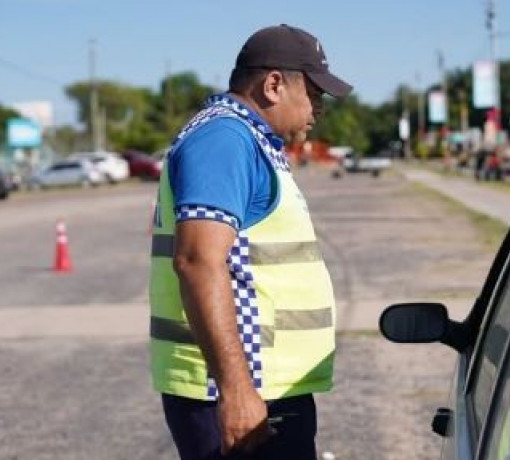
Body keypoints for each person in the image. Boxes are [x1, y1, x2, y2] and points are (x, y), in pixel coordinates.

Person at [149, 24, 352, 460]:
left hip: (267, 388)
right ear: (274, 84)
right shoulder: (225, 140)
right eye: (314, 92)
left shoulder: (249, 140)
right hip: (241, 390)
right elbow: (197, 261)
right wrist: (236, 389)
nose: (319, 107)